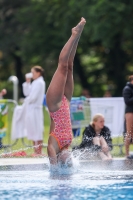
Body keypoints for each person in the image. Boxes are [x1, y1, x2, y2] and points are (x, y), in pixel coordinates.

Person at [46, 17, 86, 166]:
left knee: (62, 66)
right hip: (66, 103)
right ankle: (78, 36)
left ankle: (74, 34)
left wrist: (55, 167)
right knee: (70, 66)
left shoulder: (53, 146)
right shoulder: (67, 146)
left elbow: (53, 168)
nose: (68, 159)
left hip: (55, 106)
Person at [12, 66, 45, 156]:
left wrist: (25, 100)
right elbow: (27, 93)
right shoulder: (35, 82)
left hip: (35, 110)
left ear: (38, 73)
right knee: (32, 130)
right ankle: (36, 152)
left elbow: (33, 97)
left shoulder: (40, 83)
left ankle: (39, 151)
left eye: (33, 73)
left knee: (37, 130)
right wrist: (27, 82)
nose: (32, 74)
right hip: (31, 109)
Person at [123, 75, 133, 159]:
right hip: (130, 112)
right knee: (129, 132)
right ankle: (126, 153)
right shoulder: (127, 89)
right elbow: (127, 101)